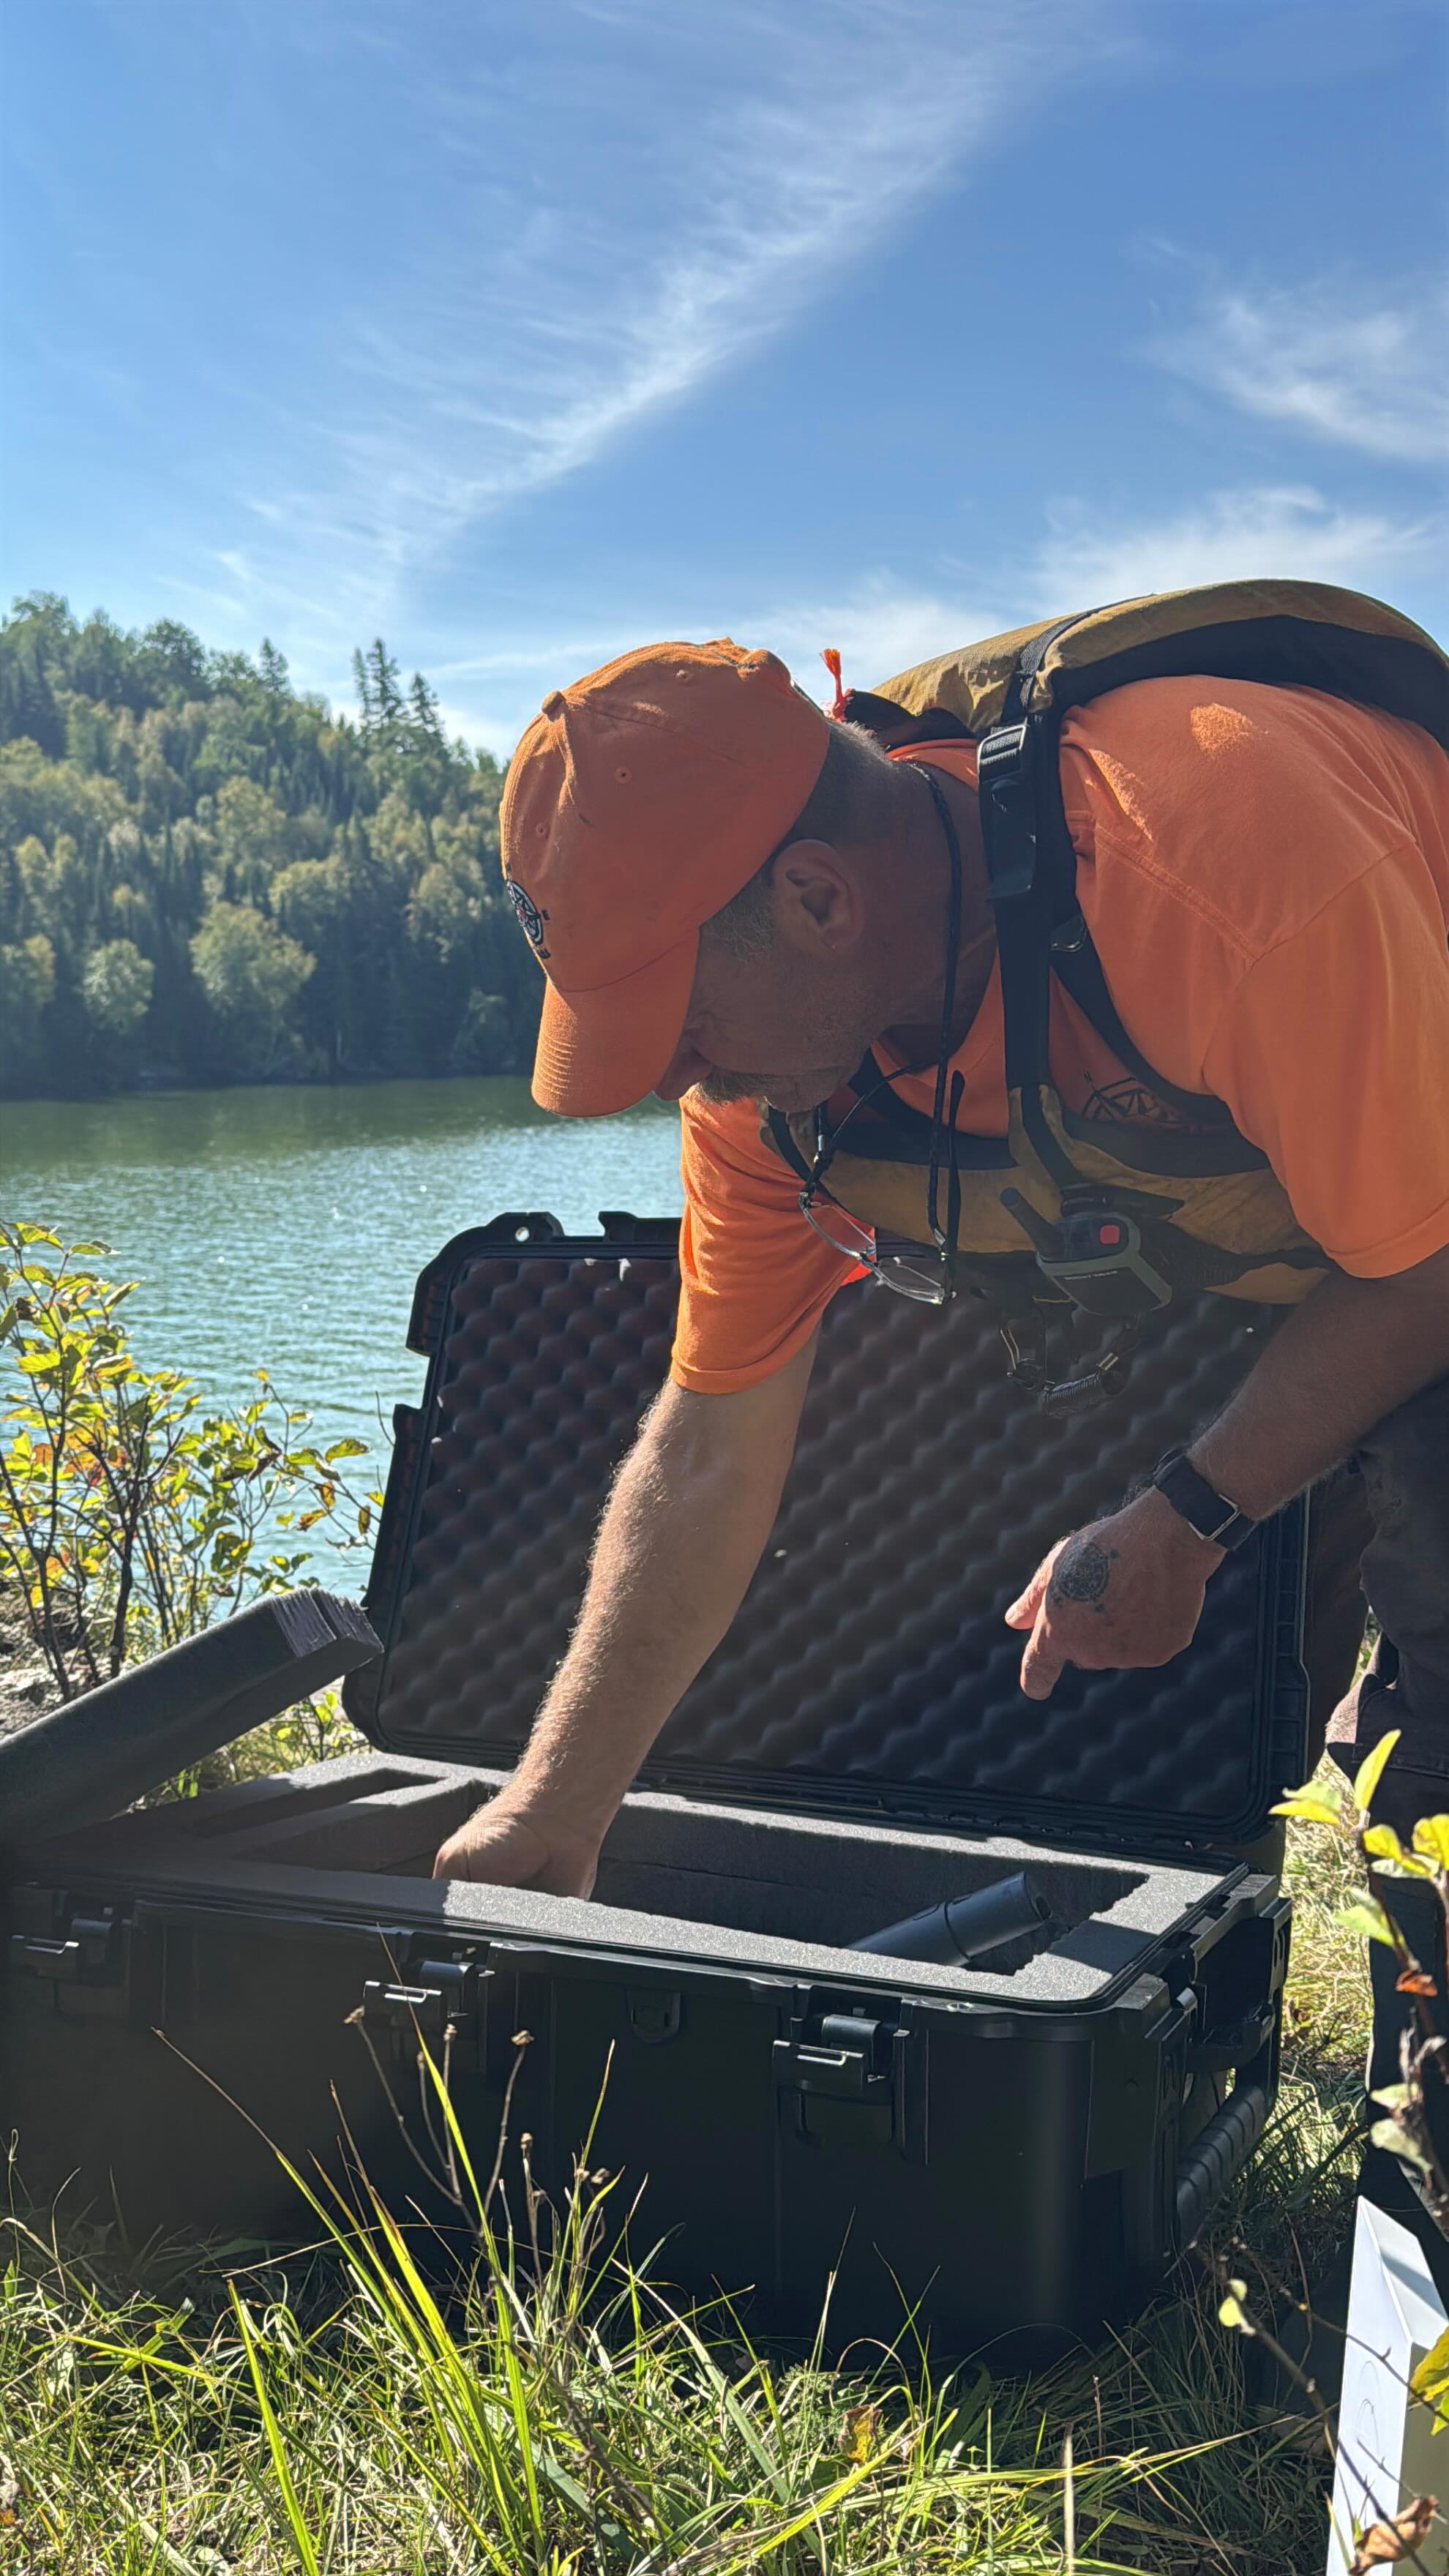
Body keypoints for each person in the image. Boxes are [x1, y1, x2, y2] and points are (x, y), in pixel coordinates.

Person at [434, 629, 1449, 1909]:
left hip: (1431, 1197)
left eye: (680, 1017)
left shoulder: (1219, 868)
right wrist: (552, 1808)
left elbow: (1427, 1274)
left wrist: (1191, 1513)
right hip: (1309, 1207)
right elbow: (707, 1446)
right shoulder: (766, 1107)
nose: (677, 1076)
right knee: (1248, 1725)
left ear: (817, 899)